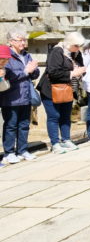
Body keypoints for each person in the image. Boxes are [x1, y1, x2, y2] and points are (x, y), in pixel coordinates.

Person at [38, 32, 86, 154]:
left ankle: (66, 139)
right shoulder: (57, 51)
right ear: (69, 43)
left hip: (67, 88)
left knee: (65, 115)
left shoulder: (75, 52)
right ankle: (55, 143)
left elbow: (80, 65)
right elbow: (53, 72)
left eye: (79, 46)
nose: (78, 48)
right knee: (54, 116)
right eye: (76, 45)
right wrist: (72, 73)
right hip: (51, 89)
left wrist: (81, 70)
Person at [1, 31, 39, 163]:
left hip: (25, 96)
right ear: (11, 41)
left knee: (24, 125)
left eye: (24, 40)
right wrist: (26, 71)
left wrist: (33, 70)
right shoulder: (6, 56)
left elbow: (34, 74)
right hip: (10, 97)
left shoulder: (26, 55)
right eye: (19, 40)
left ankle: (22, 150)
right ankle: (9, 152)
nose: (23, 43)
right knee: (11, 125)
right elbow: (9, 75)